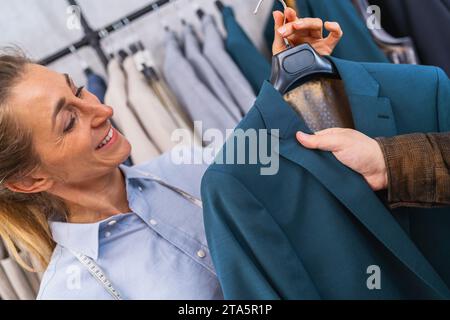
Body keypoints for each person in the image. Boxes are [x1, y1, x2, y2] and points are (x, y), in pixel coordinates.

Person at [0, 9, 343, 299]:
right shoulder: (71, 292)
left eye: (79, 91)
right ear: (30, 179)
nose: (103, 109)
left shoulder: (189, 166)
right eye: (69, 121)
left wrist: (301, 77)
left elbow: (283, 151)